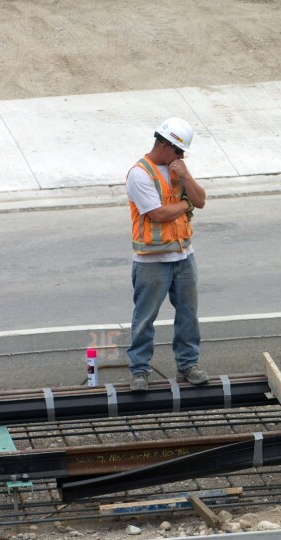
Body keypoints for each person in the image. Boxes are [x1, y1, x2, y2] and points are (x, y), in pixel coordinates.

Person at [126, 117, 208, 392]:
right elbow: (158, 215)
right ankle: (139, 370)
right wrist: (185, 203)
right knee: (145, 317)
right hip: (151, 261)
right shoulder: (140, 174)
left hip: (184, 257)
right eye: (179, 151)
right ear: (164, 145)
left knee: (188, 314)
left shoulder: (177, 170)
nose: (181, 156)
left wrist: (186, 176)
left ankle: (188, 366)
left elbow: (201, 200)